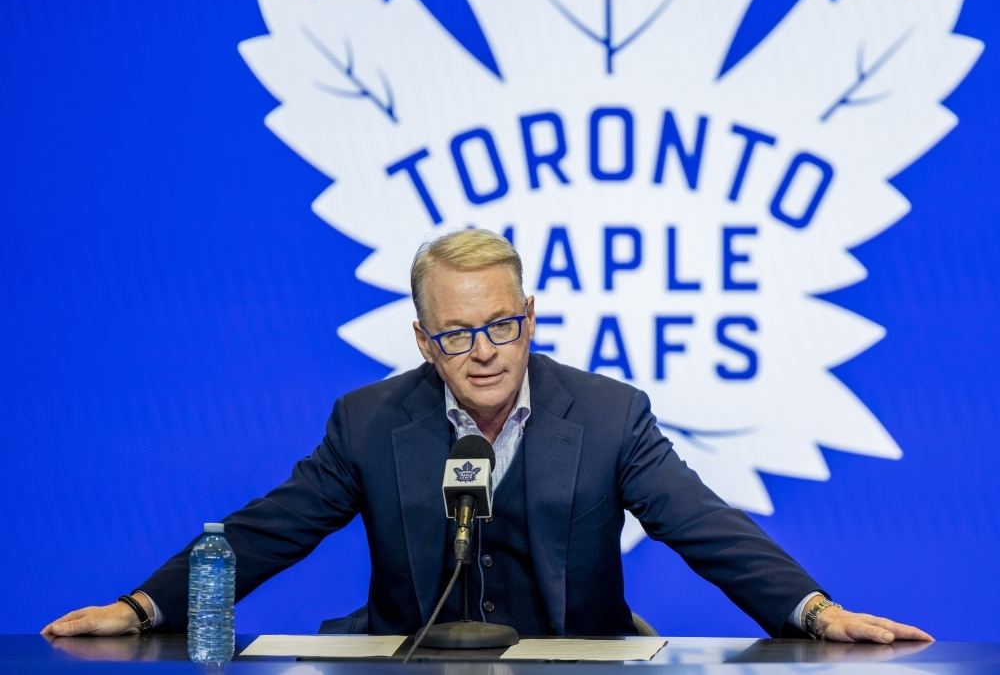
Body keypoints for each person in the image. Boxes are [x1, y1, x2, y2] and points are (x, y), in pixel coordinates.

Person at [44, 229, 932, 644]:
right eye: (459, 335)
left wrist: (815, 610)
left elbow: (704, 525)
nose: (484, 354)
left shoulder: (612, 413)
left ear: (531, 320)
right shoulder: (369, 421)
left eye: (501, 326)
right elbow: (269, 528)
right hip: (406, 668)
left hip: (571, 670)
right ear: (425, 341)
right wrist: (141, 606)